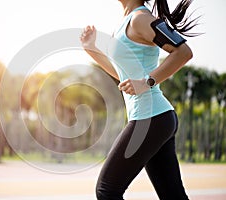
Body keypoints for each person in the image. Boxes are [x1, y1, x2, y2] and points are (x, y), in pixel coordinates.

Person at [80, 0, 199, 199]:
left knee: (107, 191)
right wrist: (90, 48)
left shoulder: (140, 19)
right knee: (173, 195)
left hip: (151, 118)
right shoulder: (125, 22)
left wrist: (147, 81)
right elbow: (123, 75)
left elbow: (183, 52)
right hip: (155, 119)